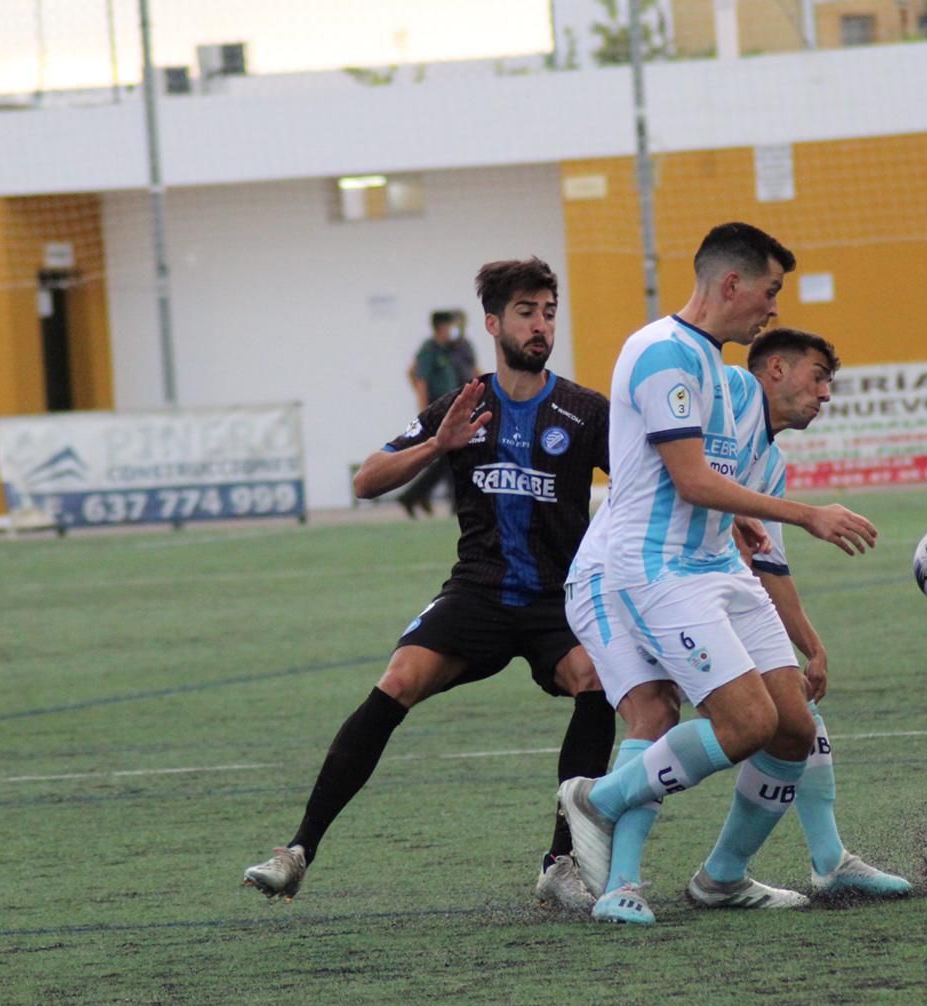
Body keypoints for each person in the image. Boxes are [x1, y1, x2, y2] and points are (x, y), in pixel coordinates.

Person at [243, 258, 614, 908]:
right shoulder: (463, 405)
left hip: (557, 600)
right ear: (493, 323)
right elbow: (367, 480)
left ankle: (559, 861)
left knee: (598, 680)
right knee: (397, 682)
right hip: (476, 592)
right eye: (527, 312)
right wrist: (438, 445)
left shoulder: (584, 412)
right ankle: (298, 851)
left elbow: (649, 479)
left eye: (550, 311)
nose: (541, 324)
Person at [555, 222, 878, 918]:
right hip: (646, 570)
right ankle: (605, 825)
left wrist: (742, 523)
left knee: (792, 724)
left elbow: (703, 484)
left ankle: (725, 876)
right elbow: (692, 479)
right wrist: (804, 513)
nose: (772, 309)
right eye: (770, 291)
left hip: (710, 567)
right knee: (710, 718)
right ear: (731, 284)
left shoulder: (711, 367)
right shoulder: (666, 355)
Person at [397, 310, 479, 518]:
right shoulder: (430, 349)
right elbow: (418, 377)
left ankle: (414, 495)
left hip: (461, 408)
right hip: (441, 410)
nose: (456, 330)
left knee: (448, 458)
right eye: (452, 326)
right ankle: (437, 499)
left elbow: (474, 371)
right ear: (441, 328)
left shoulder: (458, 347)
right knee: (451, 455)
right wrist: (424, 411)